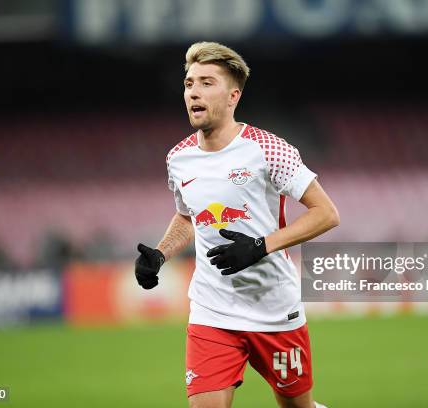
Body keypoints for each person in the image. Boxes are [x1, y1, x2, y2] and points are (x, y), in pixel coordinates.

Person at [135, 41, 339, 408]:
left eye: (206, 82)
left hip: (275, 309)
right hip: (212, 310)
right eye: (189, 83)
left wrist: (262, 245)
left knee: (298, 406)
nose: (193, 91)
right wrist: (160, 254)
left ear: (233, 96)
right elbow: (187, 216)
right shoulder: (179, 158)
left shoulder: (268, 149)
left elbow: (326, 212)